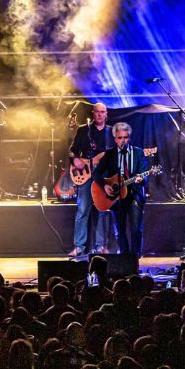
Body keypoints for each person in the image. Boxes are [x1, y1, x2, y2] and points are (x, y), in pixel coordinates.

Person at [91, 122, 148, 258]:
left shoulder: (138, 153)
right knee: (120, 230)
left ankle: (135, 257)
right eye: (120, 137)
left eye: (126, 137)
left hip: (134, 194)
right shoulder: (110, 154)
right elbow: (96, 173)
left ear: (129, 137)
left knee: (135, 229)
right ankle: (124, 256)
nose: (123, 140)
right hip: (116, 197)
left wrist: (142, 179)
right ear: (115, 138)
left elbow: (144, 173)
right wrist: (105, 185)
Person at [67, 102, 114, 256]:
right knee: (82, 210)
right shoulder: (83, 130)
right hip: (85, 175)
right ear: (92, 113)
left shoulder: (111, 132)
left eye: (103, 112)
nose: (100, 114)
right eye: (97, 112)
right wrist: (75, 160)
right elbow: (72, 151)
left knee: (103, 210)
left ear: (106, 114)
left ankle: (101, 246)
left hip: (103, 176)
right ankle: (79, 246)